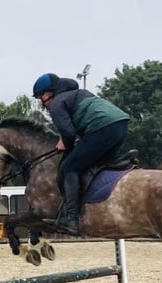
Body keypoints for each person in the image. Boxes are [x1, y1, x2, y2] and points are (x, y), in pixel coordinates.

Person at [32, 72, 130, 235]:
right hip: (120, 125)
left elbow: (69, 134)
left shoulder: (57, 103)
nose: (42, 102)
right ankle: (120, 161)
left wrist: (65, 145)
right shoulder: (78, 94)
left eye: (40, 97)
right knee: (94, 162)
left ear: (48, 93)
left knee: (69, 167)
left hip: (102, 128)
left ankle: (71, 220)